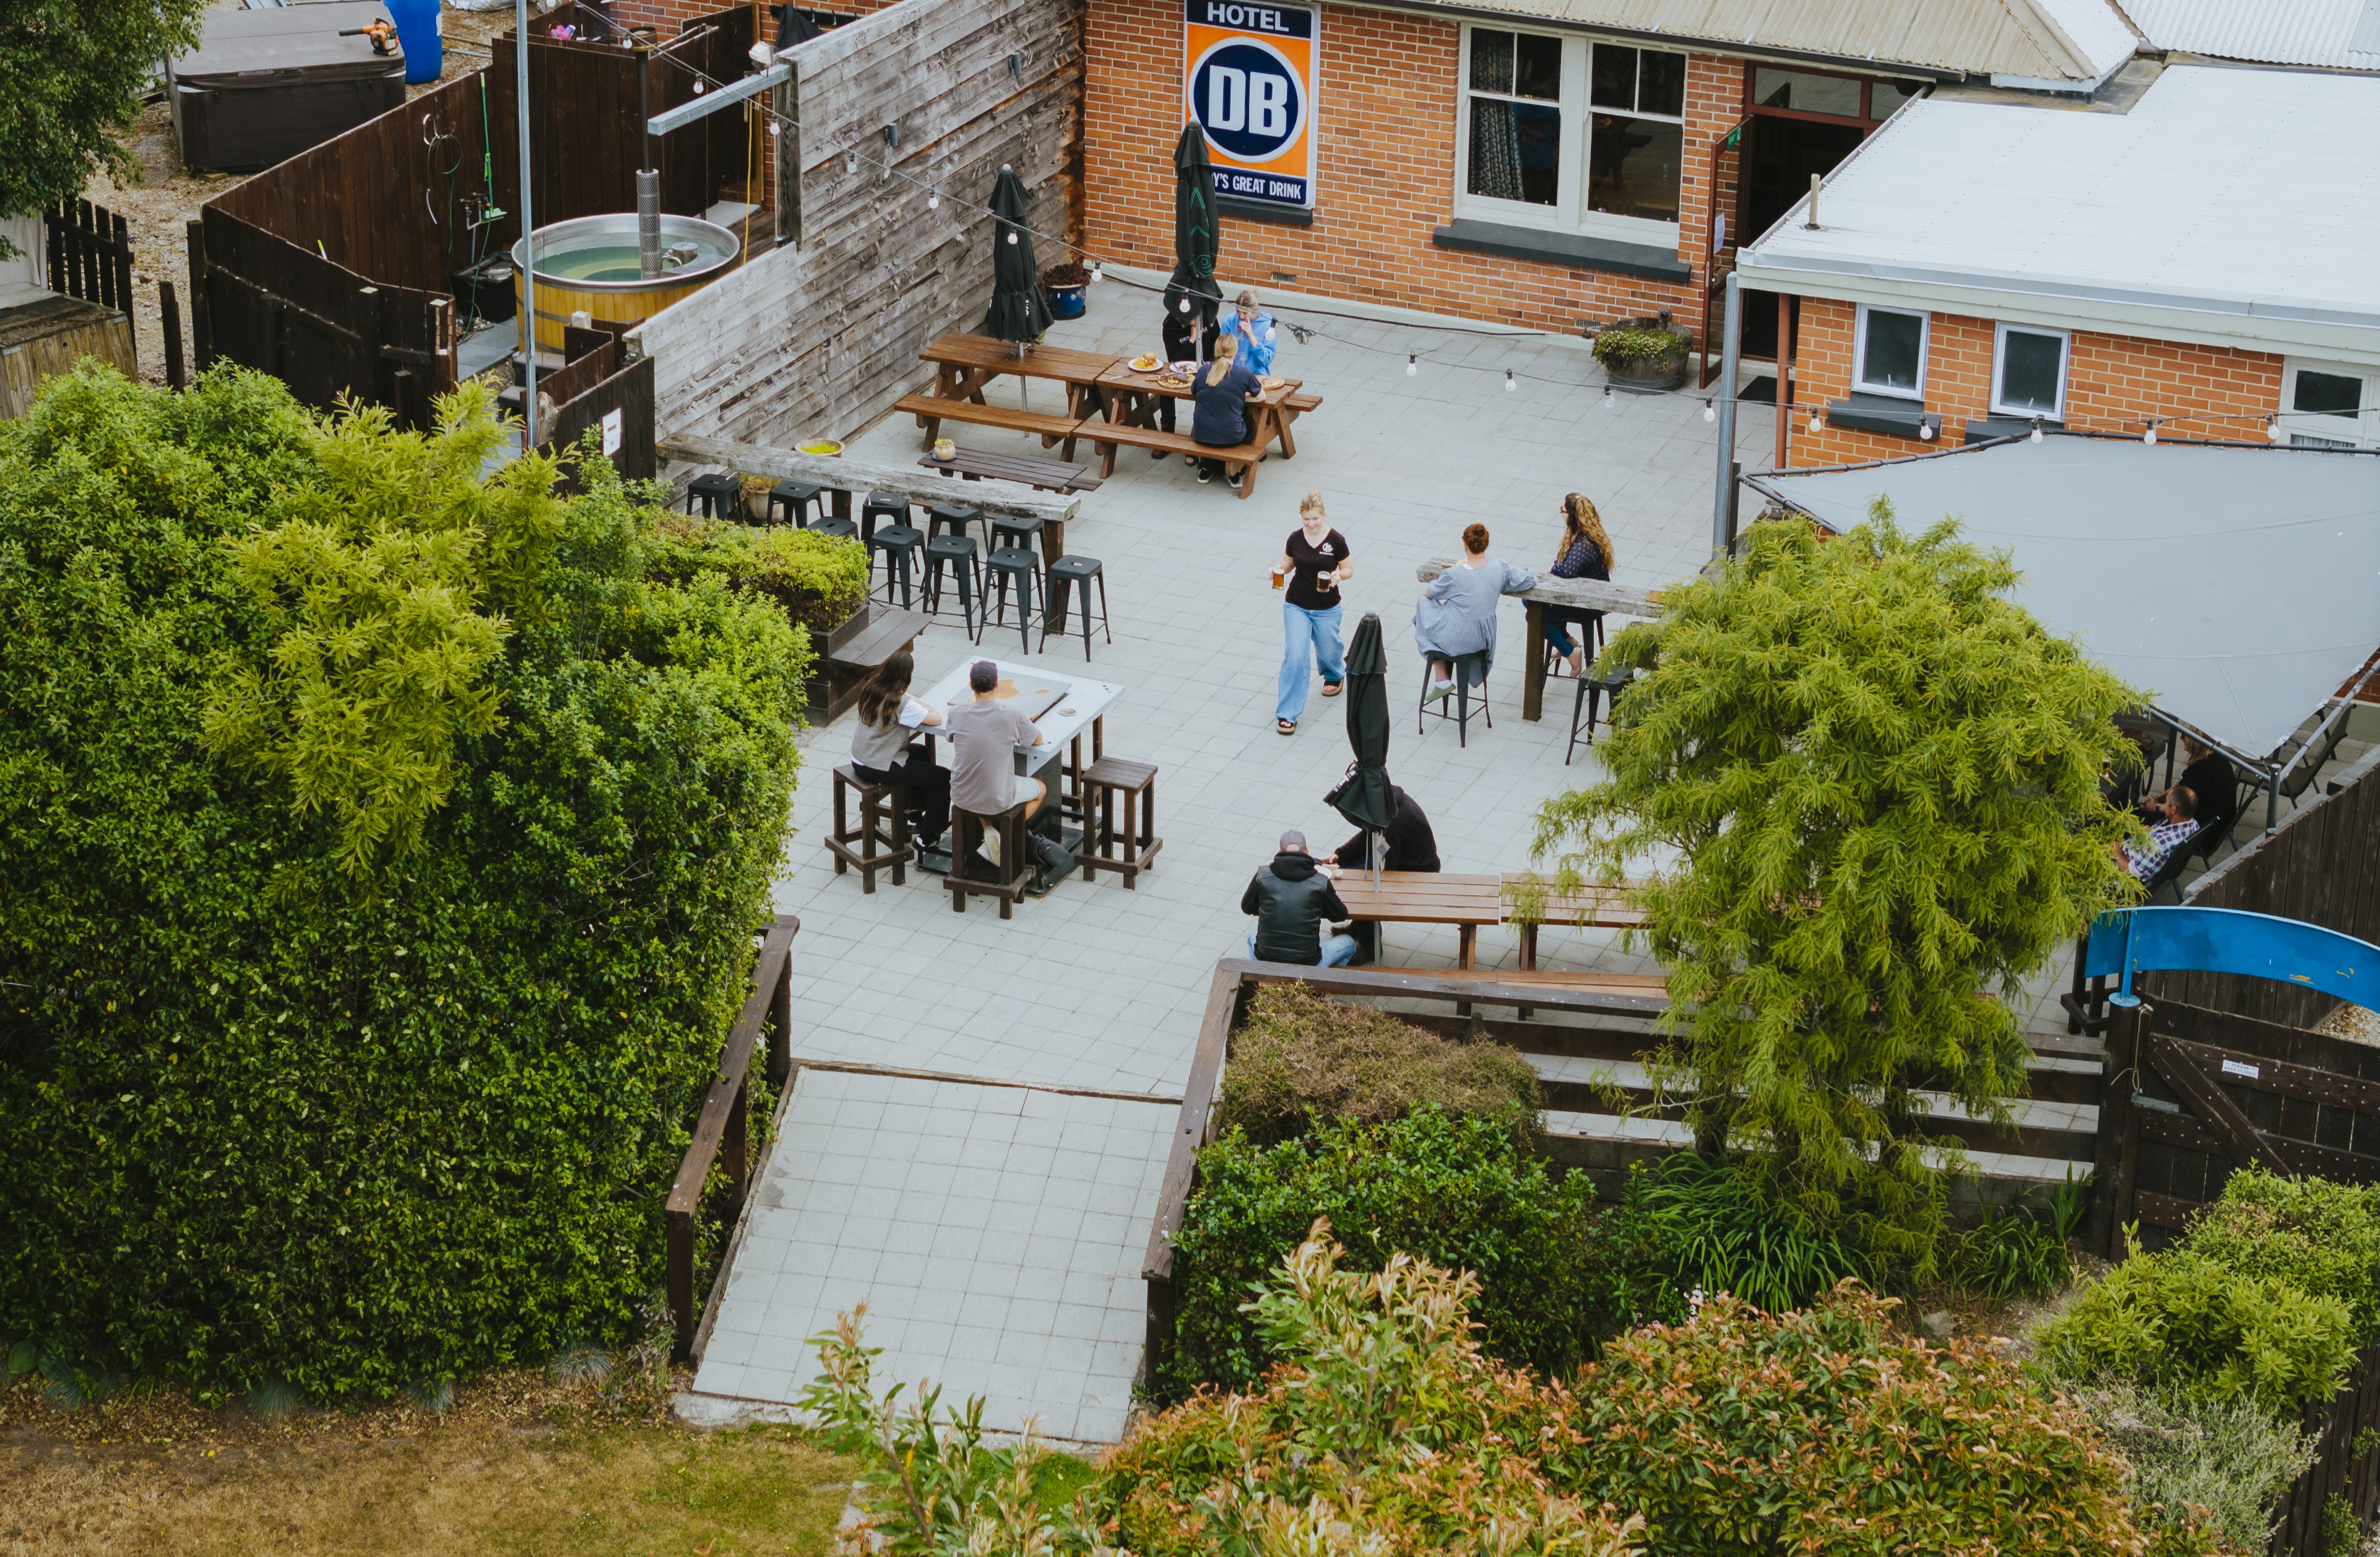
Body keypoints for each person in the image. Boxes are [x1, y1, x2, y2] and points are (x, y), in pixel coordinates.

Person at [946, 660, 1073, 891]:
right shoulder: (1011, 714)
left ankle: (989, 829)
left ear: (970, 686)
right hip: (998, 796)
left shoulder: (956, 713)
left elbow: (953, 735)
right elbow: (1036, 740)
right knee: (1040, 789)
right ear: (997, 685)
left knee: (980, 788)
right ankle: (1006, 833)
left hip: (960, 794)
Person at [1414, 523, 1537, 701]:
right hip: (1484, 638)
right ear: (1486, 544)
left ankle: (1441, 678)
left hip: (1459, 637)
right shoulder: (1500, 568)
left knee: (1422, 607)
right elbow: (1528, 579)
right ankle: (1443, 679)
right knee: (1428, 620)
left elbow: (1430, 593)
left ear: (1465, 546)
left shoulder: (1454, 574)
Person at [849, 653, 949, 851]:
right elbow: (936, 718)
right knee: (943, 779)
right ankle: (927, 838)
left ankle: (915, 815)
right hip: (878, 765)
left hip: (860, 757)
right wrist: (914, 698)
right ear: (907, 677)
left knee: (921, 753)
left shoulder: (871, 688)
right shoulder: (900, 703)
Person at [1273, 491, 1352, 735]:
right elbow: (1289, 563)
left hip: (1327, 607)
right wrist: (1279, 569)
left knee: (1329, 649)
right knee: (1295, 656)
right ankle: (1288, 713)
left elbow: (1348, 568)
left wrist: (1339, 576)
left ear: (1323, 515)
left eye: (1315, 519)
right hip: (1297, 604)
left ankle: (1334, 674)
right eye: (1306, 519)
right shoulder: (1295, 538)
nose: (1311, 524)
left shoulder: (1336, 540)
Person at [1332, 784, 1438, 966]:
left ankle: (1370, 945)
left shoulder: (1396, 823)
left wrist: (1346, 874)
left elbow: (1386, 870)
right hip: (1396, 855)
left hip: (1417, 872)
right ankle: (1359, 926)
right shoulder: (1385, 805)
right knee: (1348, 867)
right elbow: (1368, 835)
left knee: (1363, 888)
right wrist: (1339, 855)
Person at [1240, 830, 1357, 966]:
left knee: (1252, 934)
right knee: (1349, 943)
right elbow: (1340, 915)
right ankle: (1327, 981)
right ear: (1307, 851)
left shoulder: (1263, 875)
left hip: (1265, 959)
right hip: (1309, 963)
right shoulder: (1320, 881)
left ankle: (1256, 974)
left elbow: (1247, 907)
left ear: (1280, 851)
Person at [1542, 493, 1614, 678]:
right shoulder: (1584, 533)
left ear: (1571, 516)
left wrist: (1553, 567)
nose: (1561, 513)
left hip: (1587, 604)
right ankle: (1565, 641)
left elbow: (1567, 570)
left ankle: (1569, 650)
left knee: (1533, 612)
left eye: (1562, 510)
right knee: (1531, 606)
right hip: (1580, 595)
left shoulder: (1584, 543)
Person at [1191, 332, 1263, 487]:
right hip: (1232, 436)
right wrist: (1241, 395)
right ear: (1235, 352)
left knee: (1213, 423)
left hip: (1201, 433)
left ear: (1216, 351)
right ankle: (1235, 471)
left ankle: (1206, 467)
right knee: (1250, 424)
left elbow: (1194, 391)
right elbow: (1261, 397)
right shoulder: (1243, 374)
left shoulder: (1204, 370)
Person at [2139, 737, 2236, 843]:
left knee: (2136, 814)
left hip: (2203, 834)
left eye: (2185, 735)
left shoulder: (2199, 771)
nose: (2180, 738)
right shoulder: (2216, 758)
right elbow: (2180, 788)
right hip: (2219, 824)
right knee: (2141, 810)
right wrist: (2158, 798)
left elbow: (2177, 809)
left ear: (2194, 740)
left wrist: (2155, 806)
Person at [1154, 300, 1214, 449]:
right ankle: (1167, 436)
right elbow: (1174, 359)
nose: (1193, 319)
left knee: (1203, 392)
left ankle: (1197, 436)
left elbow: (1216, 345)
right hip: (1182, 369)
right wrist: (1192, 340)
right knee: (1165, 391)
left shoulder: (1208, 317)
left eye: (1195, 315)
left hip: (1207, 368)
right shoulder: (1170, 326)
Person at [2114, 785, 2200, 882]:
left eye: (2167, 803)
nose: (2165, 805)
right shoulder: (2193, 825)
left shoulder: (2159, 845)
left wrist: (2116, 851)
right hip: (2142, 851)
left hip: (2121, 868)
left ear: (2174, 809)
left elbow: (2133, 874)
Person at [1221, 288, 1278, 375]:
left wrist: (1251, 336)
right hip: (1232, 374)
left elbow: (1267, 360)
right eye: (1238, 311)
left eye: (1245, 313)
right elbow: (1221, 351)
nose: (1241, 316)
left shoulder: (1267, 324)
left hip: (1256, 376)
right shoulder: (1230, 320)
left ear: (1255, 310)